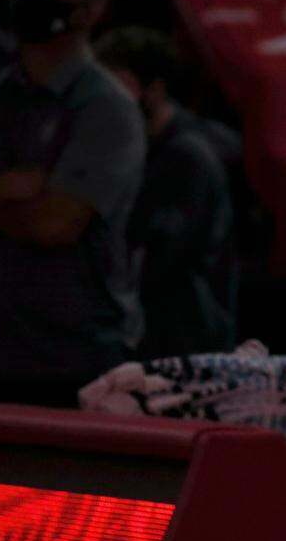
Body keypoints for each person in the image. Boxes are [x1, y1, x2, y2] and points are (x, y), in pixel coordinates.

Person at [0, 0, 145, 407]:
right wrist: (4, 187)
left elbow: (54, 225)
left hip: (74, 360)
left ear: (89, 11)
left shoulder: (106, 108)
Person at [94, 27, 237, 358]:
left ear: (154, 91)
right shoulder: (128, 150)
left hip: (183, 348)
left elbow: (162, 260)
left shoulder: (188, 158)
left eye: (118, 87)